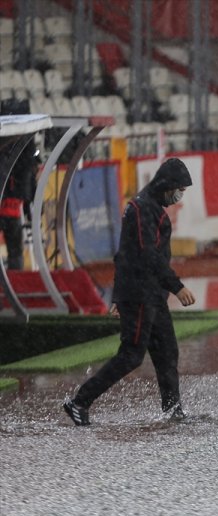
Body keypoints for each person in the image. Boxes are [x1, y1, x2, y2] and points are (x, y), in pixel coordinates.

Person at [62, 158, 196, 426]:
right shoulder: (142, 208)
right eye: (179, 189)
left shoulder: (150, 207)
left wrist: (117, 296)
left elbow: (125, 255)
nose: (180, 195)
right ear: (167, 185)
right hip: (141, 295)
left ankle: (173, 411)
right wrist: (177, 286)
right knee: (131, 355)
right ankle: (80, 402)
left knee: (167, 352)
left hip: (151, 296)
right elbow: (146, 255)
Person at [0, 137, 38, 270]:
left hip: (11, 200)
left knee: (15, 248)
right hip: (15, 201)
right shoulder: (25, 145)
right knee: (15, 249)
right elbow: (30, 169)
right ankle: (15, 280)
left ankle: (13, 279)